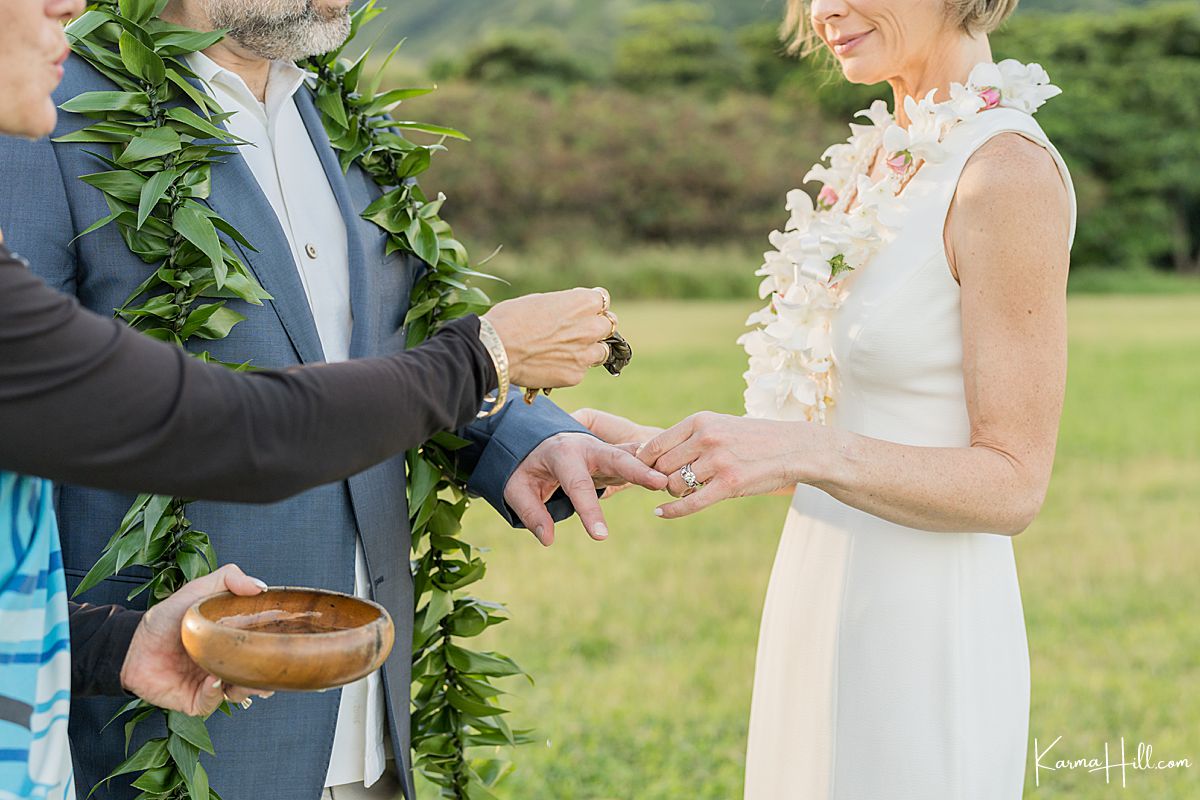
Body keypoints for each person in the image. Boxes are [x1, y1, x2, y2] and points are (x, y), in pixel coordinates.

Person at [0, 2, 668, 799]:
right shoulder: (41, 106)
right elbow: (47, 398)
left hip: (366, 701)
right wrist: (489, 352)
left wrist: (517, 437)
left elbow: (380, 345)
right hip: (169, 721)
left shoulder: (338, 112)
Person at [578, 0, 1077, 797]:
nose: (820, 10)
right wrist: (655, 448)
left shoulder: (1004, 172)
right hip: (816, 593)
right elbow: (827, 431)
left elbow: (1014, 481)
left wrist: (808, 452)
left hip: (923, 626)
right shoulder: (883, 156)